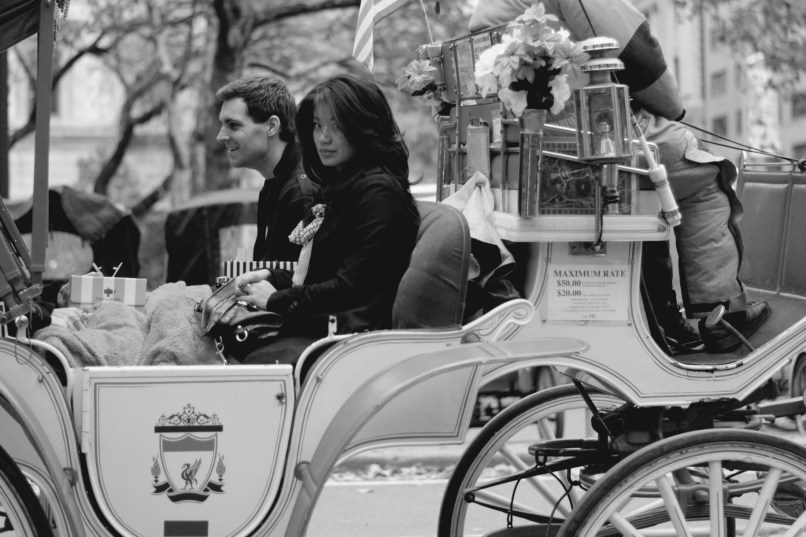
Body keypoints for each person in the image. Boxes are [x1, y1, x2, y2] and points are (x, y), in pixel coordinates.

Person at [467, 0, 769, 353]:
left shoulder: (487, 8)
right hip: (588, 136)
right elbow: (637, 53)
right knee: (702, 174)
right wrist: (674, 111)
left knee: (651, 183)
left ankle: (662, 317)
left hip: (529, 144)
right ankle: (723, 314)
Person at [232, 74, 421, 366]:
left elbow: (351, 288)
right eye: (318, 125)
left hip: (348, 342)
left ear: (365, 126)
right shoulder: (341, 185)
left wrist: (276, 299)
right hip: (324, 328)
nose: (324, 138)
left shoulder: (378, 192)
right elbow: (323, 272)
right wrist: (273, 277)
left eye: (337, 126)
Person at [215, 75, 318, 262]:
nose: (220, 136)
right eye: (222, 124)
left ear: (271, 126)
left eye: (234, 125)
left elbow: (294, 278)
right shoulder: (277, 184)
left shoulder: (301, 195)